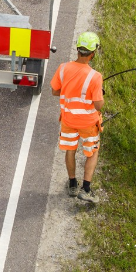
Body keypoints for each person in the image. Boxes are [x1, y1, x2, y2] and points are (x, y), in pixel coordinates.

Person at [51, 31, 104, 204]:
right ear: (93, 53)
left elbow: (55, 91)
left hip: (68, 120)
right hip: (88, 123)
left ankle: (73, 184)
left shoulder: (63, 68)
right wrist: (100, 94)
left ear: (78, 50)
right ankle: (86, 189)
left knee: (70, 150)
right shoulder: (95, 77)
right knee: (92, 153)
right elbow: (98, 105)